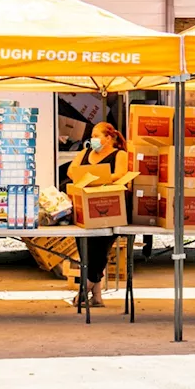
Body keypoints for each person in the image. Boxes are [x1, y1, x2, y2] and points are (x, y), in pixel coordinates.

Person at [67, 121, 128, 307]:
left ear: (108, 138)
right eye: (92, 136)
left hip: (108, 210)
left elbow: (121, 174)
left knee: (99, 252)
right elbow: (71, 171)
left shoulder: (120, 155)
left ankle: (84, 289)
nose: (92, 140)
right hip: (84, 212)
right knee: (85, 251)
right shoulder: (85, 153)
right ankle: (97, 297)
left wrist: (97, 177)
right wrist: (88, 177)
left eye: (96, 136)